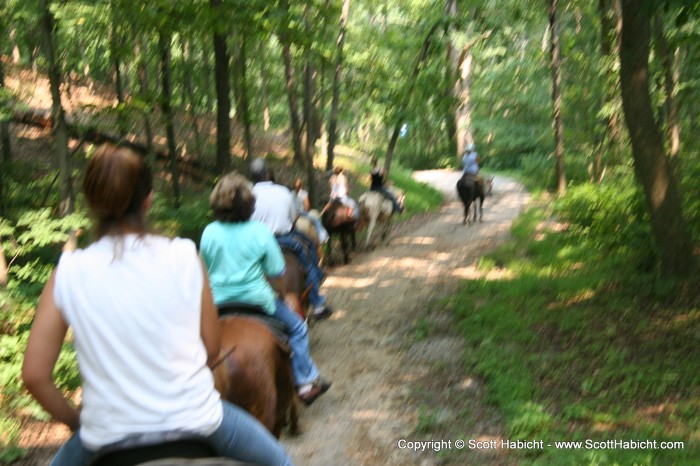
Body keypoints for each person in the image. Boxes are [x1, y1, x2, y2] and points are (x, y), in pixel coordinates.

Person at [21, 144, 293, 466]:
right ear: (148, 200)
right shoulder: (183, 255)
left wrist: (77, 422)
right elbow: (210, 348)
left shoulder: (66, 272)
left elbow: (34, 375)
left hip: (106, 435)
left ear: (92, 202)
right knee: (281, 461)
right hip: (198, 421)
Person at [200, 172, 331, 406]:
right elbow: (278, 273)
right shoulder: (260, 232)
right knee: (298, 329)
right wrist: (281, 293)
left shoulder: (209, 232)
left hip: (218, 304)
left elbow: (204, 271)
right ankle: (305, 382)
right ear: (249, 204)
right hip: (257, 301)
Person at [249, 158, 332, 320]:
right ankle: (316, 304)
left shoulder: (248, 195)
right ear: (268, 173)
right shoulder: (283, 191)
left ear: (252, 177)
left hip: (257, 243)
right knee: (308, 257)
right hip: (285, 238)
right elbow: (293, 218)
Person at [292, 177, 329, 245]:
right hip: (301, 213)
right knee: (316, 220)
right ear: (301, 185)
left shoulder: (291, 193)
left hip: (292, 214)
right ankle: (323, 236)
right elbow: (307, 207)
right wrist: (307, 210)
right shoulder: (304, 194)